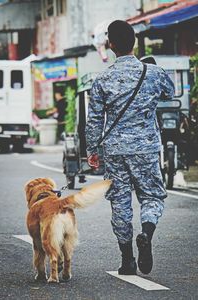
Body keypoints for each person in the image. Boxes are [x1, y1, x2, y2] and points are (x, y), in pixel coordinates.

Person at [85, 20, 175, 275]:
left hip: (115, 152)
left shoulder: (102, 79)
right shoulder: (154, 73)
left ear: (111, 45)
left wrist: (93, 150)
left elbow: (94, 120)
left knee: (120, 203)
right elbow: (170, 93)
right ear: (134, 41)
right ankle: (146, 232)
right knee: (151, 196)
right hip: (145, 148)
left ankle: (127, 261)